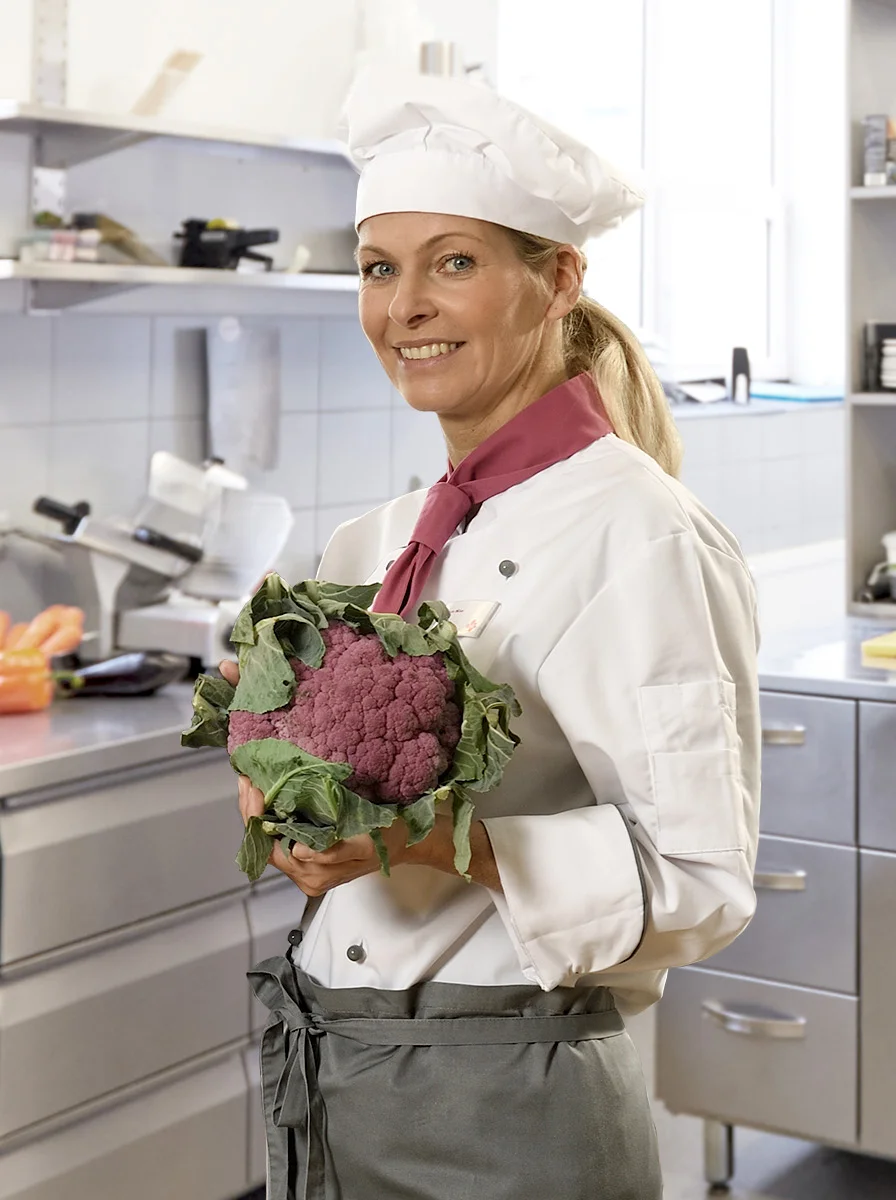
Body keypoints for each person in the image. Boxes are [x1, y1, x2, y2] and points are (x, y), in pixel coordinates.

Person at [226, 67, 760, 1200]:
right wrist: (290, 804)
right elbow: (342, 803)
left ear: (556, 279)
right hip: (336, 1067)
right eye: (379, 269)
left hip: (507, 1093)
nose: (403, 306)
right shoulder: (373, 543)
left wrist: (432, 848)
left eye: (452, 263)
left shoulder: (639, 534)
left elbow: (703, 881)